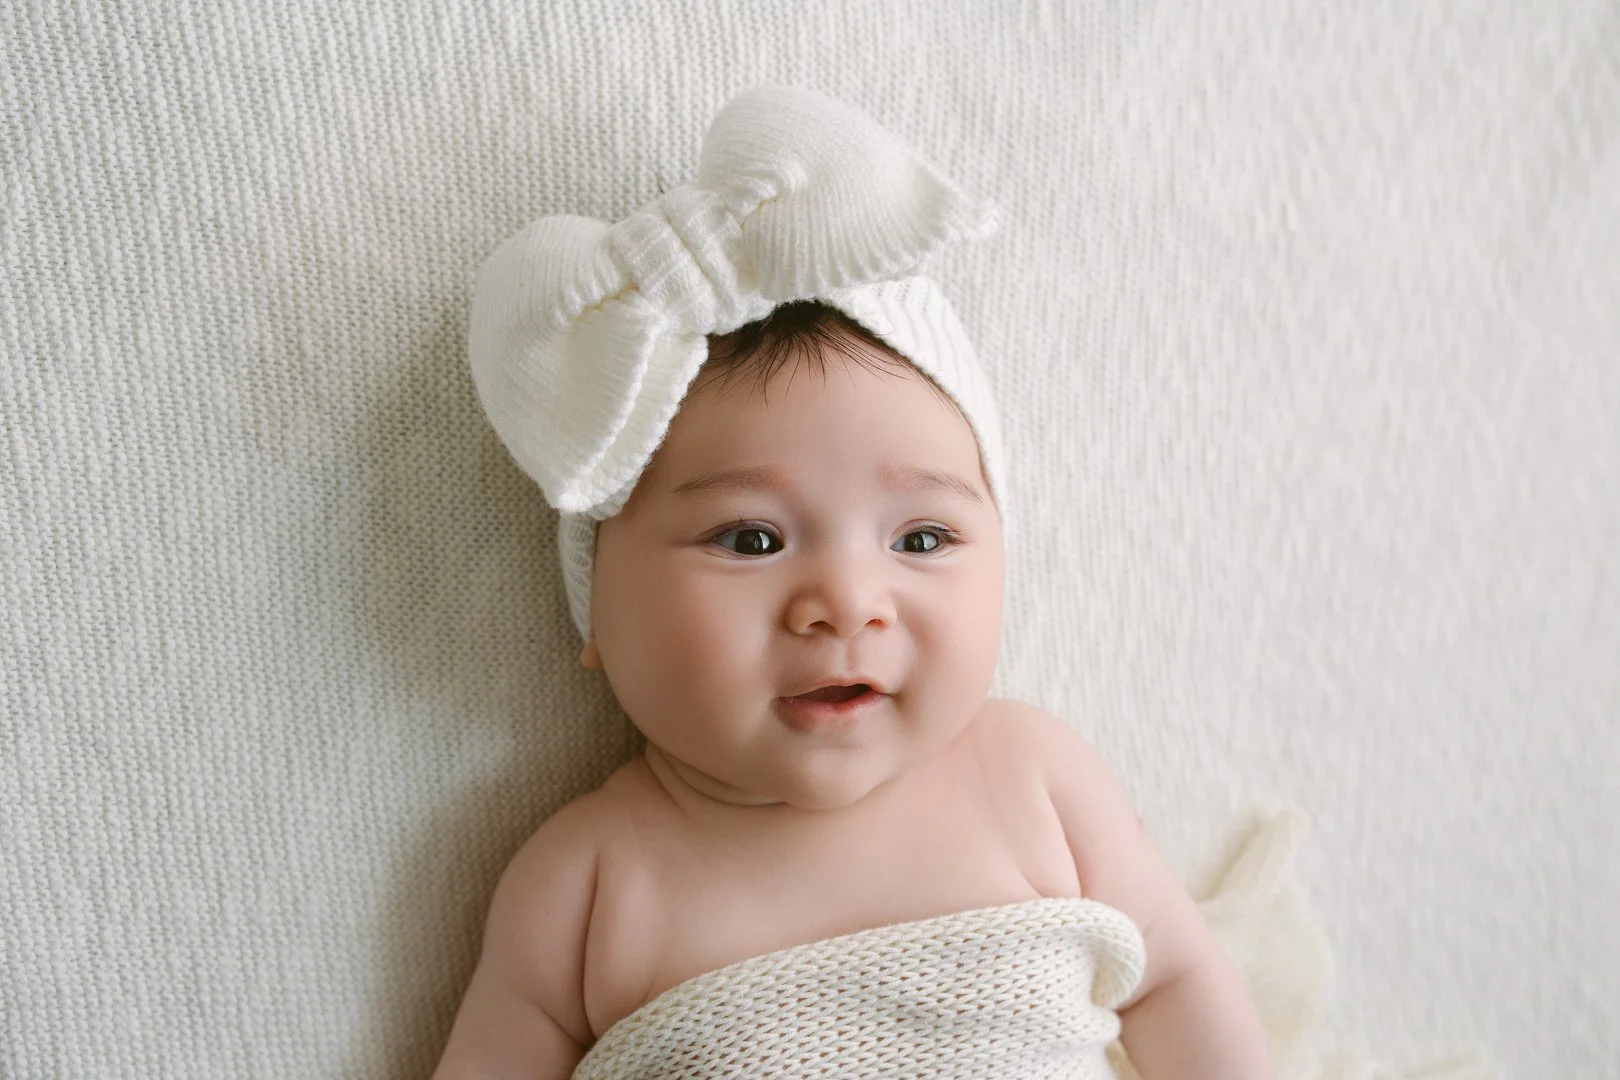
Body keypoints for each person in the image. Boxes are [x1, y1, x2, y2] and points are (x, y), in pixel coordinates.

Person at [434, 85, 1273, 1080]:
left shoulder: (1037, 782)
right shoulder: (586, 884)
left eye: (921, 539)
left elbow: (1176, 981)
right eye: (749, 540)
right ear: (598, 609)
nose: (846, 602)